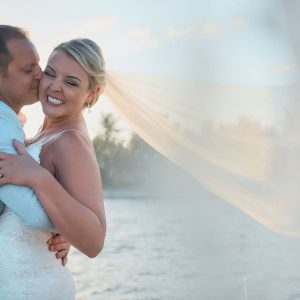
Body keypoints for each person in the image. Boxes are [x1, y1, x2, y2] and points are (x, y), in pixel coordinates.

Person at [0, 25, 106, 299]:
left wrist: (38, 177)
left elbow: (94, 241)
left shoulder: (70, 141)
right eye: (50, 72)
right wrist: (64, 228)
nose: (54, 85)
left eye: (71, 82)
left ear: (91, 95)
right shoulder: (43, 133)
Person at [0, 25, 71, 263]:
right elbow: (33, 214)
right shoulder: (1, 129)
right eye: (28, 69)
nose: (40, 74)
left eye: (38, 64)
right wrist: (73, 227)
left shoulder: (10, 122)